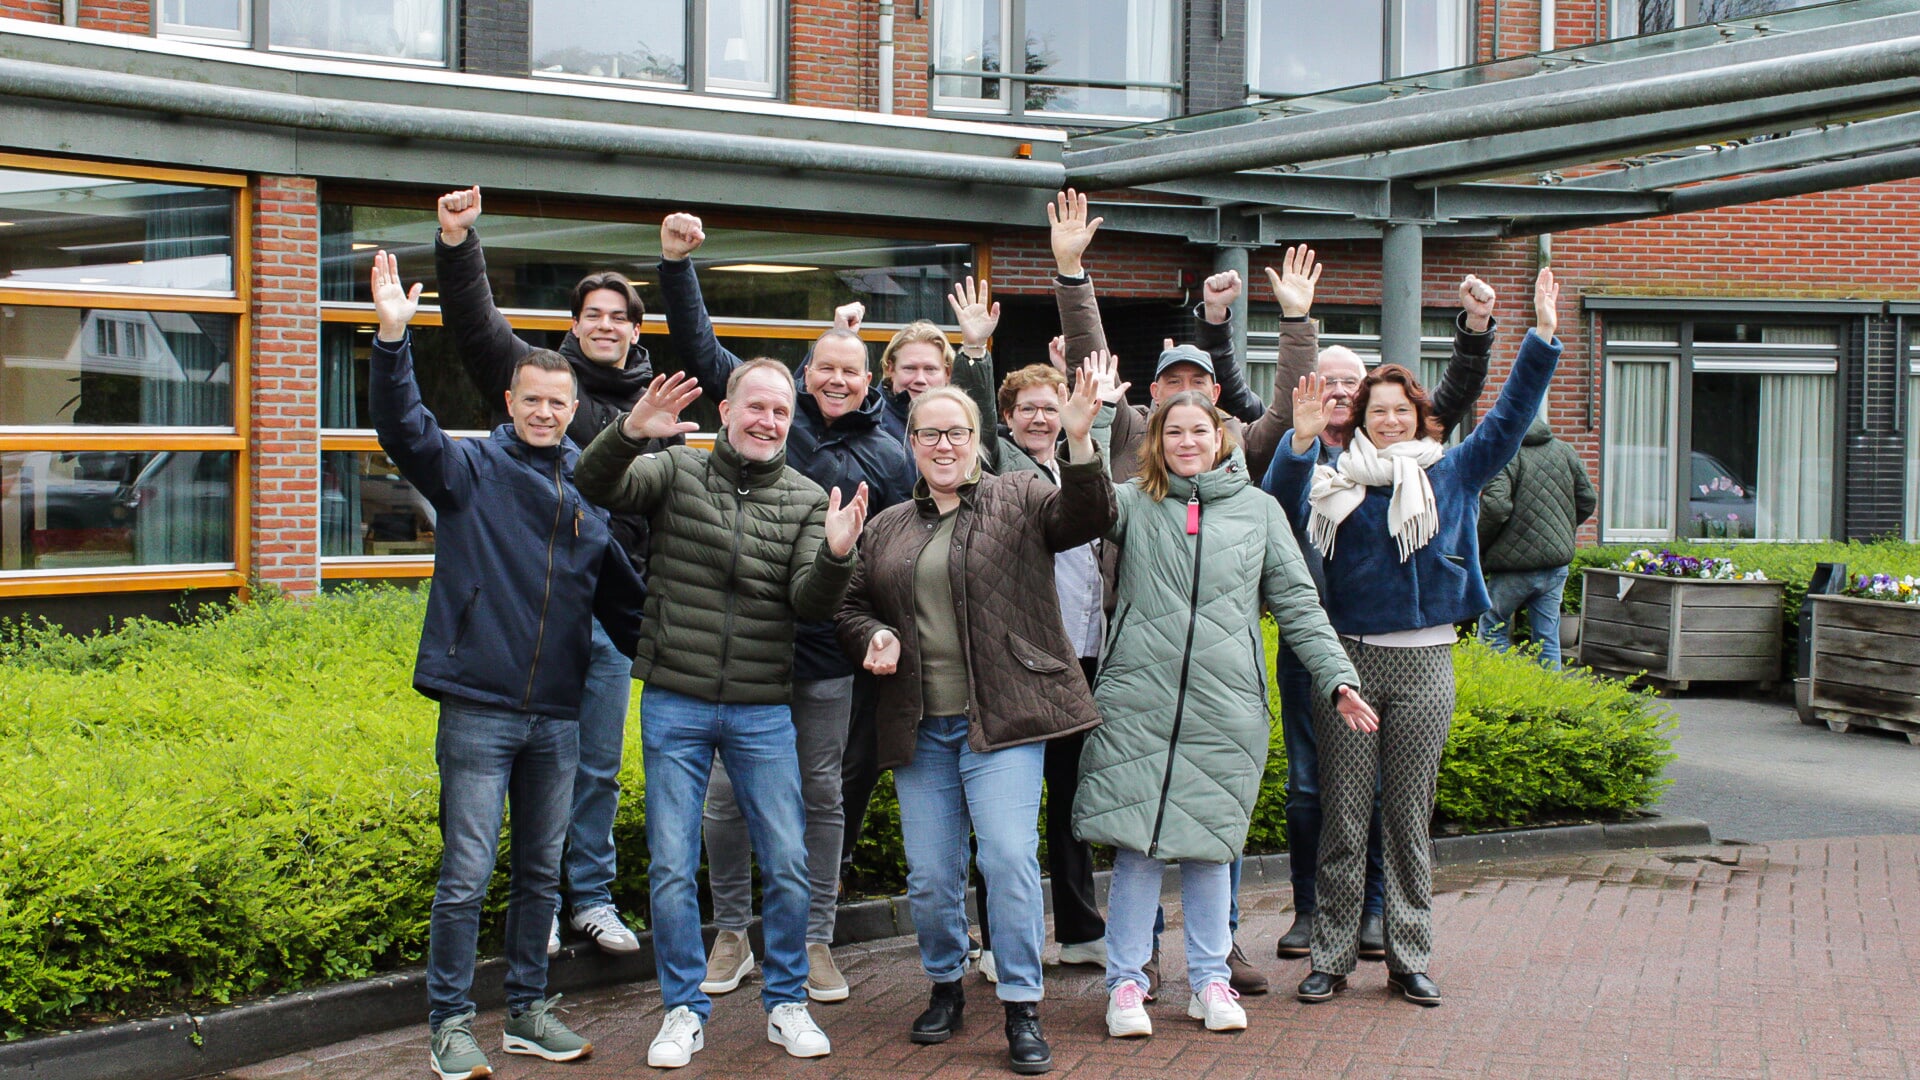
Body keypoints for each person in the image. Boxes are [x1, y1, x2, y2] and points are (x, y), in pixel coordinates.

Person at [367, 251, 643, 1080]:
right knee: (465, 874)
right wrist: (390, 340)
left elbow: (634, 611)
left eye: (560, 404)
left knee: (537, 875)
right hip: (480, 709)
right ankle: (450, 1023)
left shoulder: (588, 502)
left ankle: (526, 1012)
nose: (547, 413)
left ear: (572, 412)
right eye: (534, 401)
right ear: (509, 403)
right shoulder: (469, 470)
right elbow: (403, 427)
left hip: (556, 714)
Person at [1265, 269, 1564, 1009]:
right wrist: (1299, 445)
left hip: (1428, 662)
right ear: (1362, 419)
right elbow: (1275, 507)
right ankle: (1331, 956)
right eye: (1379, 411)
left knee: (1406, 817)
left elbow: (1509, 416)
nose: (1391, 421)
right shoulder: (1336, 479)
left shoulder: (1453, 473)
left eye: (1402, 411)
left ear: (1420, 417)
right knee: (1342, 814)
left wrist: (1542, 337)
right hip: (1350, 660)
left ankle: (1409, 956)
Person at [574, 361, 870, 1068]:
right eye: (756, 406)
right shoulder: (674, 469)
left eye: (779, 411)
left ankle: (786, 1003)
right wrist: (627, 433)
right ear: (727, 411)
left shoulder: (805, 497)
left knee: (791, 862)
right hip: (675, 698)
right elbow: (595, 484)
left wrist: (835, 555)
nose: (768, 420)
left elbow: (810, 604)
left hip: (763, 707)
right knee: (673, 865)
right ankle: (682, 1010)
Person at [654, 211, 914, 1005]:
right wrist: (676, 268)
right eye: (826, 368)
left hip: (832, 654)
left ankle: (815, 939)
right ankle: (732, 931)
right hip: (753, 651)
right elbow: (702, 354)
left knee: (823, 797)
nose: (838, 380)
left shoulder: (892, 454)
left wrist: (884, 637)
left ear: (870, 385)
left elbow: (896, 557)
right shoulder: (772, 422)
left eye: (853, 372)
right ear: (805, 376)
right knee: (725, 799)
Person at [835, 373, 1117, 1076]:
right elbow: (847, 604)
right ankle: (944, 986)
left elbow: (1086, 517)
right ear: (911, 443)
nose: (943, 444)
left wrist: (1079, 440)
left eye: (956, 431)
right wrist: (871, 634)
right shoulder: (888, 527)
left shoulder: (1020, 497)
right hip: (919, 726)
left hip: (1001, 720)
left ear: (978, 441)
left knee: (1008, 860)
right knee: (931, 876)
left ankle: (1022, 1004)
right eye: (928, 432)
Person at [1074, 387, 1374, 1039]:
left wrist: (1337, 680)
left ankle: (1211, 979)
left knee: (1211, 850)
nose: (1186, 441)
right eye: (1172, 431)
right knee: (1138, 849)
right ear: (1156, 442)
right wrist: (1088, 429)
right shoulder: (1132, 503)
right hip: (1137, 702)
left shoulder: (1259, 513)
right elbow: (1081, 505)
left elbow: (1297, 604)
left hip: (1225, 707)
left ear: (1220, 440)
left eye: (1197, 431)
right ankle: (1126, 982)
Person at [434, 185, 670, 958]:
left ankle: (590, 898)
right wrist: (461, 245)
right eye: (593, 314)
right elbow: (476, 328)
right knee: (534, 776)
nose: (606, 326)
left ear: (636, 331)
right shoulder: (544, 380)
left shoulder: (656, 400)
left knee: (597, 769)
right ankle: (529, 909)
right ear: (574, 327)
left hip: (613, 611)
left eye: (620, 317)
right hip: (539, 618)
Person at [949, 343, 1123, 977]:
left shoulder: (1082, 467)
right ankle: (999, 942)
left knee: (1073, 801)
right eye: (1027, 409)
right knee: (1005, 813)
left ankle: (1079, 930)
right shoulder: (992, 475)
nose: (1041, 419)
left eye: (1051, 408)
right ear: (1007, 417)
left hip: (1085, 658)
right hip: (1018, 664)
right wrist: (974, 350)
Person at [1477, 409, 1597, 665]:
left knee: (1492, 628)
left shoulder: (1505, 455)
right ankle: (1550, 700)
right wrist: (1561, 529)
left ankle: (1501, 691)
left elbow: (1496, 508)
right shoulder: (1565, 450)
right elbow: (1587, 499)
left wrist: (1479, 545)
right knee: (1547, 637)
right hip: (1555, 564)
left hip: (1512, 566)